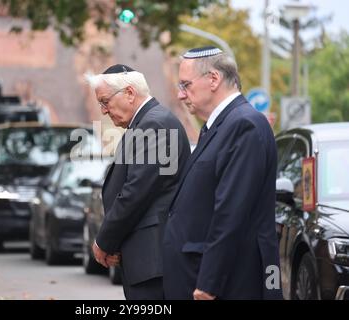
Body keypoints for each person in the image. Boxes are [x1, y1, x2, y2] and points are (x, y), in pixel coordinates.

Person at [163, 47, 282, 300]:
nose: (180, 94)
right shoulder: (222, 124)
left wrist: (209, 282)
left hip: (228, 285)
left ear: (214, 79)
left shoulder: (244, 125)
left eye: (185, 85)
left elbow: (230, 211)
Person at [86, 64, 190, 299]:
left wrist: (104, 242)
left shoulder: (154, 124)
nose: (103, 111)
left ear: (130, 93)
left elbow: (136, 192)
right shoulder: (147, 122)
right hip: (147, 259)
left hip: (153, 261)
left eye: (105, 101)